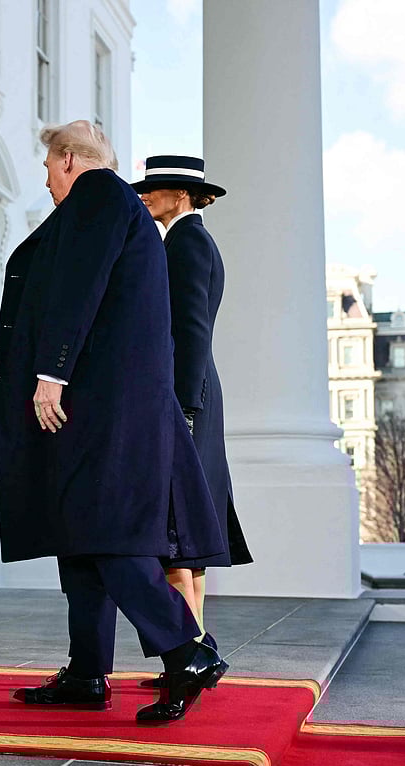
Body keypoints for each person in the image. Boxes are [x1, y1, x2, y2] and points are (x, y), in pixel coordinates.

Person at [0, 121, 228, 724]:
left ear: (70, 160)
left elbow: (79, 293)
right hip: (96, 409)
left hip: (108, 412)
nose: (48, 183)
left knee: (110, 538)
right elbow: (58, 309)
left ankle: (189, 651)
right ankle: (86, 672)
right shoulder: (98, 210)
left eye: (50, 170)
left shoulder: (101, 193)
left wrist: (50, 373)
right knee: (79, 540)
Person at [133, 155, 253, 666]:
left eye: (153, 189)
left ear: (181, 195)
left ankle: (189, 657)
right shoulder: (185, 240)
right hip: (194, 394)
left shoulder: (186, 242)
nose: (144, 196)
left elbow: (192, 330)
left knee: (177, 537)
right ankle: (196, 646)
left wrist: (182, 406)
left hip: (187, 398)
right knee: (185, 542)